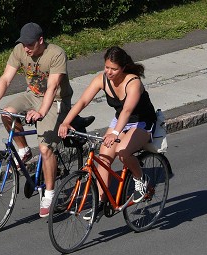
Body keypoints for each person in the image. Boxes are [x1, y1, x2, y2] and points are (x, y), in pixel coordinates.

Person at [0, 22, 73, 218]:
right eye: (23, 44)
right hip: (31, 95)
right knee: (6, 113)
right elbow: (6, 78)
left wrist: (40, 112)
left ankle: (49, 193)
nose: (26, 49)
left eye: (29, 45)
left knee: (45, 148)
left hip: (56, 101)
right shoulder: (19, 50)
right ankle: (23, 150)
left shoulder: (56, 54)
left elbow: (52, 87)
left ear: (41, 40)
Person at [58, 46, 157, 220]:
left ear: (123, 67)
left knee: (123, 152)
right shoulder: (101, 79)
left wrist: (115, 133)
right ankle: (102, 203)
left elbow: (127, 110)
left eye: (114, 69)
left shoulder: (133, 83)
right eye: (107, 67)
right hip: (120, 121)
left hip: (141, 121)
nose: (109, 72)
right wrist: (66, 122)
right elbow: (82, 102)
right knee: (103, 158)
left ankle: (141, 179)